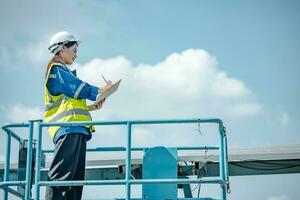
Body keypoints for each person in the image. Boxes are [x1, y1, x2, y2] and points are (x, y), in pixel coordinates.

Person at [44, 31, 111, 200]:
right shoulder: (57, 70)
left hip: (76, 129)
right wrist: (100, 90)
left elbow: (71, 103)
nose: (76, 55)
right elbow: (77, 88)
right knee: (62, 176)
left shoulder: (63, 72)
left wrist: (91, 108)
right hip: (68, 128)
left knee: (75, 179)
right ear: (62, 48)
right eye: (74, 50)